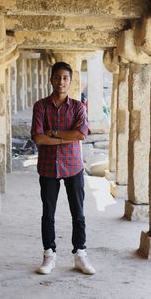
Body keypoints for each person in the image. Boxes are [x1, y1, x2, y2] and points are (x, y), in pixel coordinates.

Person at [31, 62, 95, 275]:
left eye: (65, 78)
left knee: (78, 213)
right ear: (51, 79)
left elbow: (80, 134)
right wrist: (63, 138)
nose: (61, 82)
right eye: (57, 77)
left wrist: (54, 133)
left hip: (73, 166)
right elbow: (38, 138)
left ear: (70, 81)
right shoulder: (40, 106)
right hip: (48, 168)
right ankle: (49, 255)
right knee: (48, 214)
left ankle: (80, 254)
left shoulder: (77, 107)